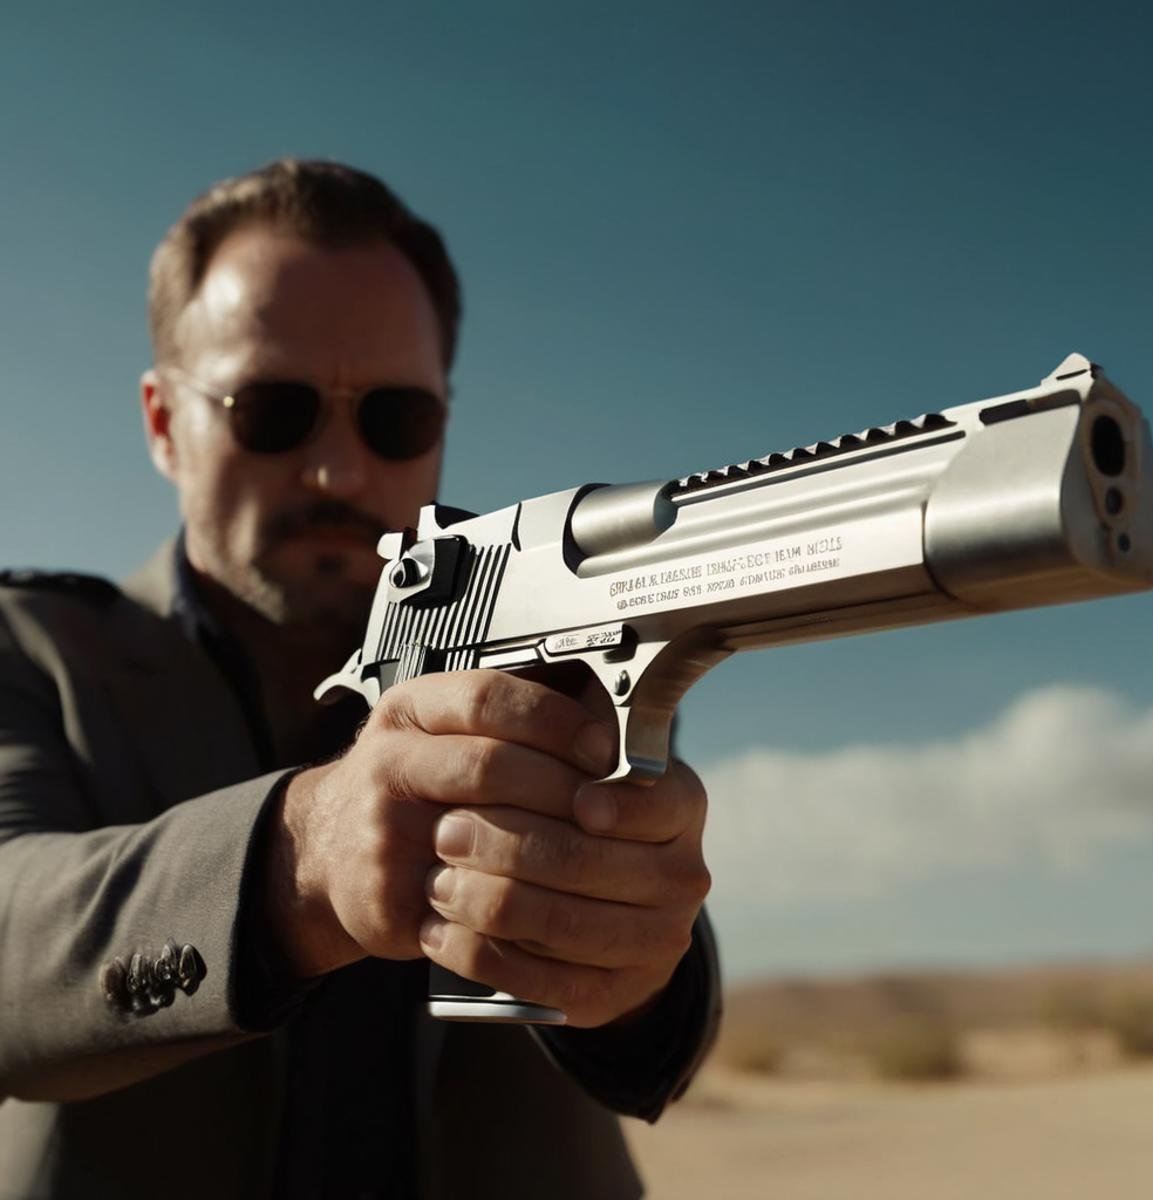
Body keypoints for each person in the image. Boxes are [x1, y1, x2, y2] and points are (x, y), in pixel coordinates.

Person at [0, 159, 720, 1199]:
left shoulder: (542, 630)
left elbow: (660, 1023)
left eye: (395, 420)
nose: (339, 472)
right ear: (163, 422)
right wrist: (305, 860)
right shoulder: (36, 646)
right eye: (273, 410)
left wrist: (631, 971)